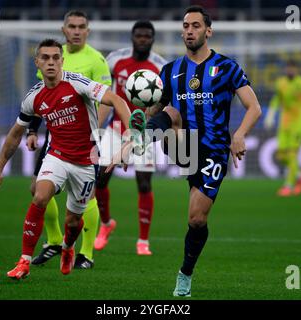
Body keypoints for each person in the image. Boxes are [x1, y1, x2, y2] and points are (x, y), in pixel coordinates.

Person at [107, 5, 261, 297]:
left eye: (195, 26)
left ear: (208, 31)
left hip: (214, 152)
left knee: (197, 219)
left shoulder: (227, 67)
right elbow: (157, 111)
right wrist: (134, 137)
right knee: (172, 112)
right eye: (186, 26)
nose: (189, 31)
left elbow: (254, 107)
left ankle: (185, 275)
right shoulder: (170, 70)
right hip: (184, 147)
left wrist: (239, 135)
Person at [0, 39, 131, 280]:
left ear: (62, 61)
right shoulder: (33, 97)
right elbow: (15, 134)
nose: (51, 62)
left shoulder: (78, 84)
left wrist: (130, 136)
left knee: (74, 221)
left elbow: (116, 100)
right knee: (40, 194)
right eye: (45, 58)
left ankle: (67, 248)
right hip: (56, 156)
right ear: (37, 63)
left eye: (56, 57)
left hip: (86, 161)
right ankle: (23, 262)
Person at [26, 10, 112, 269]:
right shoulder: (52, 55)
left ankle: (86, 254)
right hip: (55, 138)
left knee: (89, 197)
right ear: (64, 30)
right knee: (36, 189)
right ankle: (54, 241)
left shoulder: (96, 60)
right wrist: (32, 130)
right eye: (71, 26)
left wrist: (96, 130)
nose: (76, 31)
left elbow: (106, 98)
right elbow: (43, 97)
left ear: (88, 31)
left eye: (81, 27)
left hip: (86, 138)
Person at [94, 20, 167, 255]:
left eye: (147, 36)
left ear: (153, 39)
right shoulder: (115, 59)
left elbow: (164, 101)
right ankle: (106, 224)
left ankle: (143, 240)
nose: (143, 39)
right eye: (139, 35)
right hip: (115, 129)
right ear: (132, 37)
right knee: (100, 180)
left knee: (144, 183)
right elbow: (105, 90)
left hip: (142, 132)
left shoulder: (160, 66)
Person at [264, 60, 301, 196]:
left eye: (292, 68)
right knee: (280, 155)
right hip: (284, 124)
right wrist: (270, 115)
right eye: (288, 68)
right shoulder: (281, 83)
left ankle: (288, 186)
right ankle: (300, 174)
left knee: (291, 154)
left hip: (299, 124)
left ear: (297, 70)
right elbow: (277, 99)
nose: (290, 71)